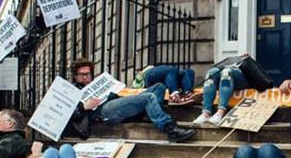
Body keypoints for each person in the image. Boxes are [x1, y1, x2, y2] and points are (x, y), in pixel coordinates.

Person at [65, 59, 195, 143]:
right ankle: (170, 129)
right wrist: (84, 107)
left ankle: (149, 114)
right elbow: (67, 116)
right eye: (82, 74)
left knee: (159, 87)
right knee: (148, 97)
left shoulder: (95, 83)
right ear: (75, 76)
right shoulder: (72, 91)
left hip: (113, 103)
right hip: (102, 112)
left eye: (88, 74)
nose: (86, 77)